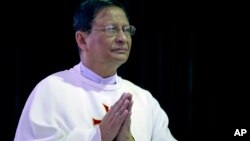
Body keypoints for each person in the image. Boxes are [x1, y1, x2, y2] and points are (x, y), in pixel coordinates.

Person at [14, 0, 177, 140]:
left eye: (126, 30)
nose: (123, 38)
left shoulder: (144, 100)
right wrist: (99, 136)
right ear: (82, 40)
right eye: (111, 29)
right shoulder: (51, 91)